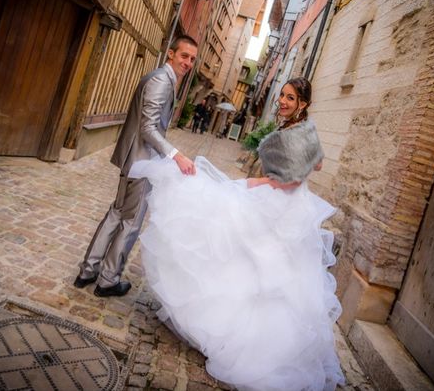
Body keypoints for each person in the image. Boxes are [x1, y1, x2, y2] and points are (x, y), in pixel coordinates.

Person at [129, 77, 345, 390]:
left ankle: (253, 342)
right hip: (275, 198)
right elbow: (318, 163)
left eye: (291, 98)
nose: (283, 101)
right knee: (244, 253)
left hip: (282, 204)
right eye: (283, 95)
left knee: (260, 261)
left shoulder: (300, 130)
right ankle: (222, 324)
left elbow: (298, 179)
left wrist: (266, 182)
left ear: (303, 104)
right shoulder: (294, 127)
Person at [73, 35, 198, 297]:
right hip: (142, 163)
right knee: (130, 222)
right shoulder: (161, 80)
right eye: (184, 56)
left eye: (192, 59)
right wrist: (177, 155)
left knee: (116, 214)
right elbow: (148, 128)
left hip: (133, 160)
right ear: (171, 54)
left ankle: (88, 270)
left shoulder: (160, 78)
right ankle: (108, 280)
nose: (188, 63)